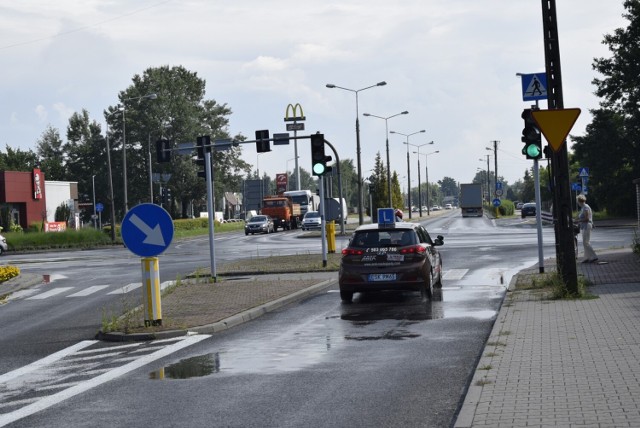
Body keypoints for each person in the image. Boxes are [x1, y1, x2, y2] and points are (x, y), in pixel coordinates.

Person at [575, 194, 598, 263]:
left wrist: (578, 221)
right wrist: (576, 219)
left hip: (587, 226)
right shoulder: (583, 208)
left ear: (579, 201)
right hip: (584, 226)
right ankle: (586, 257)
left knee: (586, 242)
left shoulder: (585, 207)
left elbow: (587, 219)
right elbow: (582, 217)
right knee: (585, 243)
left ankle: (594, 256)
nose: (577, 203)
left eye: (577, 201)